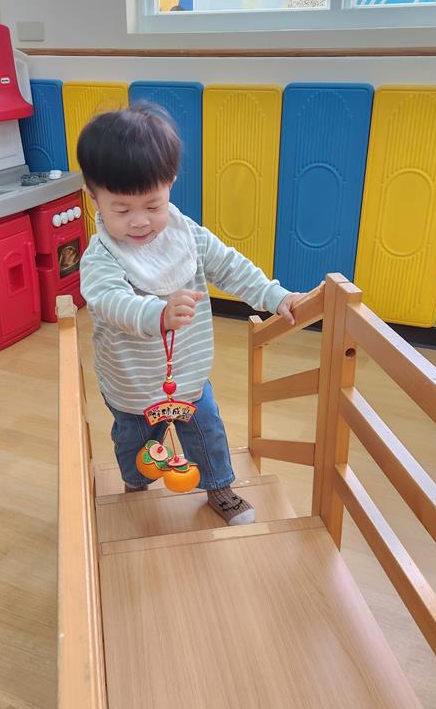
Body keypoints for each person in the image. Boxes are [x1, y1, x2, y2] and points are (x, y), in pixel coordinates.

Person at [78, 105, 302, 525]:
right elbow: (109, 301)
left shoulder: (187, 235)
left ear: (170, 185)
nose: (140, 222)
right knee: (134, 443)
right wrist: (157, 314)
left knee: (207, 433)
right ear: (94, 197)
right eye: (121, 210)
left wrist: (275, 296)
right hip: (131, 385)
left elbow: (230, 266)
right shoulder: (101, 256)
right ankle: (135, 485)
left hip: (189, 377)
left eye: (153, 205)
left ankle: (219, 488)